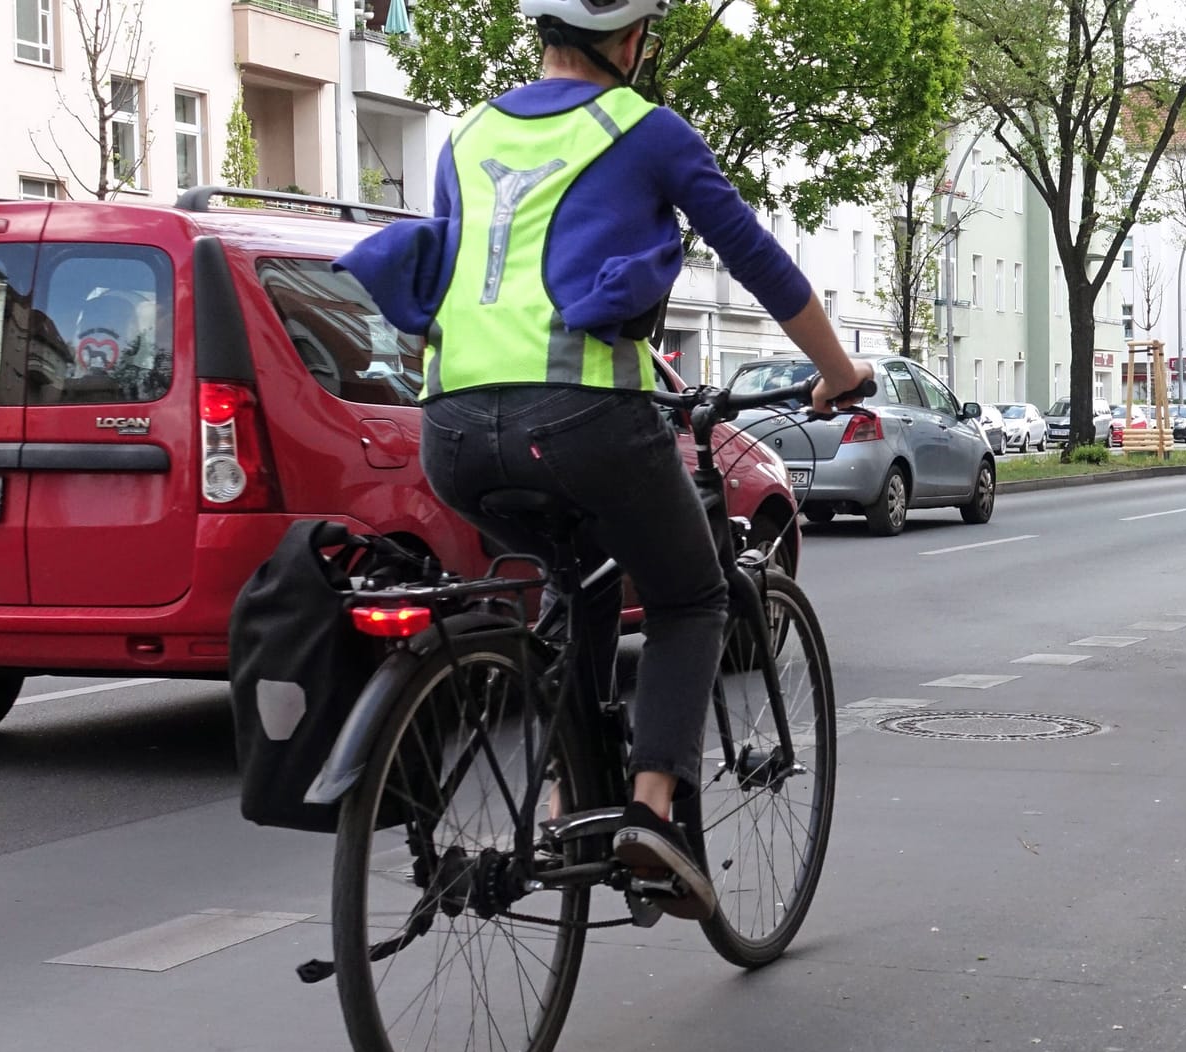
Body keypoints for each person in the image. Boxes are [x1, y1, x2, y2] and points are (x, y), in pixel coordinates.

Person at [336, 0, 873, 921]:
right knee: (692, 595)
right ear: (630, 40)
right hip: (583, 418)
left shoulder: (466, 136)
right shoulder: (647, 130)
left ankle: (563, 796)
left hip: (453, 433)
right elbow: (758, 258)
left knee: (574, 584)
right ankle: (651, 809)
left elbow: (483, 279)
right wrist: (838, 370)